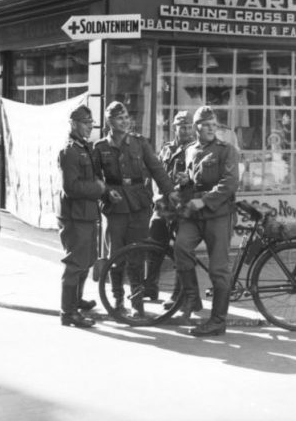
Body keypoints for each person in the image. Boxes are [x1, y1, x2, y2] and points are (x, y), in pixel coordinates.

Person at [94, 101, 179, 317]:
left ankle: (137, 303)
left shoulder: (140, 143)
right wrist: (105, 193)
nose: (125, 121)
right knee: (116, 257)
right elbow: (94, 178)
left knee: (137, 255)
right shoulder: (100, 147)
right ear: (109, 121)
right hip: (115, 206)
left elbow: (157, 169)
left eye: (126, 117)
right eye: (119, 118)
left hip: (139, 204)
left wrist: (170, 191)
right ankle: (117, 300)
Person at [174, 105, 240, 337]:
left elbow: (230, 183)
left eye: (214, 125)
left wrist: (205, 201)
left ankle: (217, 321)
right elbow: (193, 181)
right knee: (181, 248)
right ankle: (192, 298)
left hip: (218, 214)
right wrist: (185, 182)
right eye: (207, 125)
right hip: (194, 214)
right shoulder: (190, 149)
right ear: (196, 128)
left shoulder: (226, 150)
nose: (211, 129)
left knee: (218, 269)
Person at [147, 110, 202, 319]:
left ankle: (178, 294)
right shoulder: (167, 149)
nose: (187, 131)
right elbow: (157, 174)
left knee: (181, 251)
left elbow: (196, 181)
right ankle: (149, 287)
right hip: (162, 205)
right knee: (154, 245)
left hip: (182, 208)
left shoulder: (195, 150)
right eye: (182, 127)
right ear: (175, 128)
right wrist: (156, 196)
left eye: (189, 127)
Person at [57, 105, 106, 328]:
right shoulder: (70, 151)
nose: (90, 127)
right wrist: (99, 189)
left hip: (86, 214)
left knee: (86, 261)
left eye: (91, 123)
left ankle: (76, 300)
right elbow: (71, 187)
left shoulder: (84, 148)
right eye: (86, 123)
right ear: (74, 124)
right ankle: (68, 313)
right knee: (75, 263)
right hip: (75, 217)